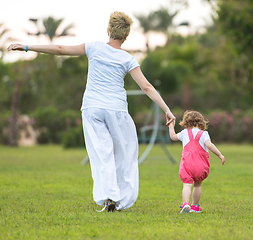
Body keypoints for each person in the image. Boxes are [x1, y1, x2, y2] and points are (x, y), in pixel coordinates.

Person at [7, 11, 176, 212]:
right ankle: (119, 197)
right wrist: (167, 110)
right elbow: (147, 87)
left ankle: (109, 197)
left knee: (102, 154)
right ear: (126, 36)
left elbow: (61, 49)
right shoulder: (127, 58)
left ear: (108, 31)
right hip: (116, 110)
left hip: (92, 109)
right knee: (124, 154)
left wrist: (27, 47)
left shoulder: (94, 47)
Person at [168, 110, 225, 213]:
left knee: (187, 185)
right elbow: (209, 145)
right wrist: (219, 155)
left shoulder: (184, 133)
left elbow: (173, 137)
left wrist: (171, 125)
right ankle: (194, 207)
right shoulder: (204, 134)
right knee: (197, 185)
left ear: (186, 123)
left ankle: (185, 204)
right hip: (200, 165)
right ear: (201, 122)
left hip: (187, 165)